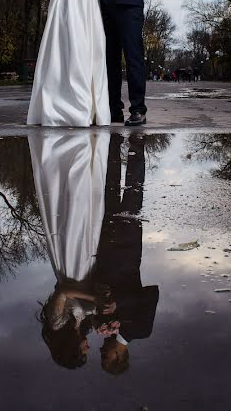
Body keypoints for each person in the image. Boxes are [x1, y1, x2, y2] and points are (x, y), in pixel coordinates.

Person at [29, 132, 114, 368]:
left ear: (70, 349)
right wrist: (101, 313)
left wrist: (93, 298)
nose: (88, 348)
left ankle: (71, 163)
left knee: (74, 224)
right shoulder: (81, 326)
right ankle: (88, 163)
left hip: (70, 268)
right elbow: (86, 307)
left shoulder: (55, 322)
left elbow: (64, 292)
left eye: (83, 352)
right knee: (90, 220)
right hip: (87, 269)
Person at [94, 133, 159, 374]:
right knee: (134, 190)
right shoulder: (141, 330)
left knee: (108, 189)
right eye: (105, 358)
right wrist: (118, 303)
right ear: (119, 357)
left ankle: (113, 144)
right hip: (129, 249)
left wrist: (97, 315)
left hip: (103, 248)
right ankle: (137, 145)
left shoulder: (101, 325)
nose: (101, 352)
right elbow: (151, 294)